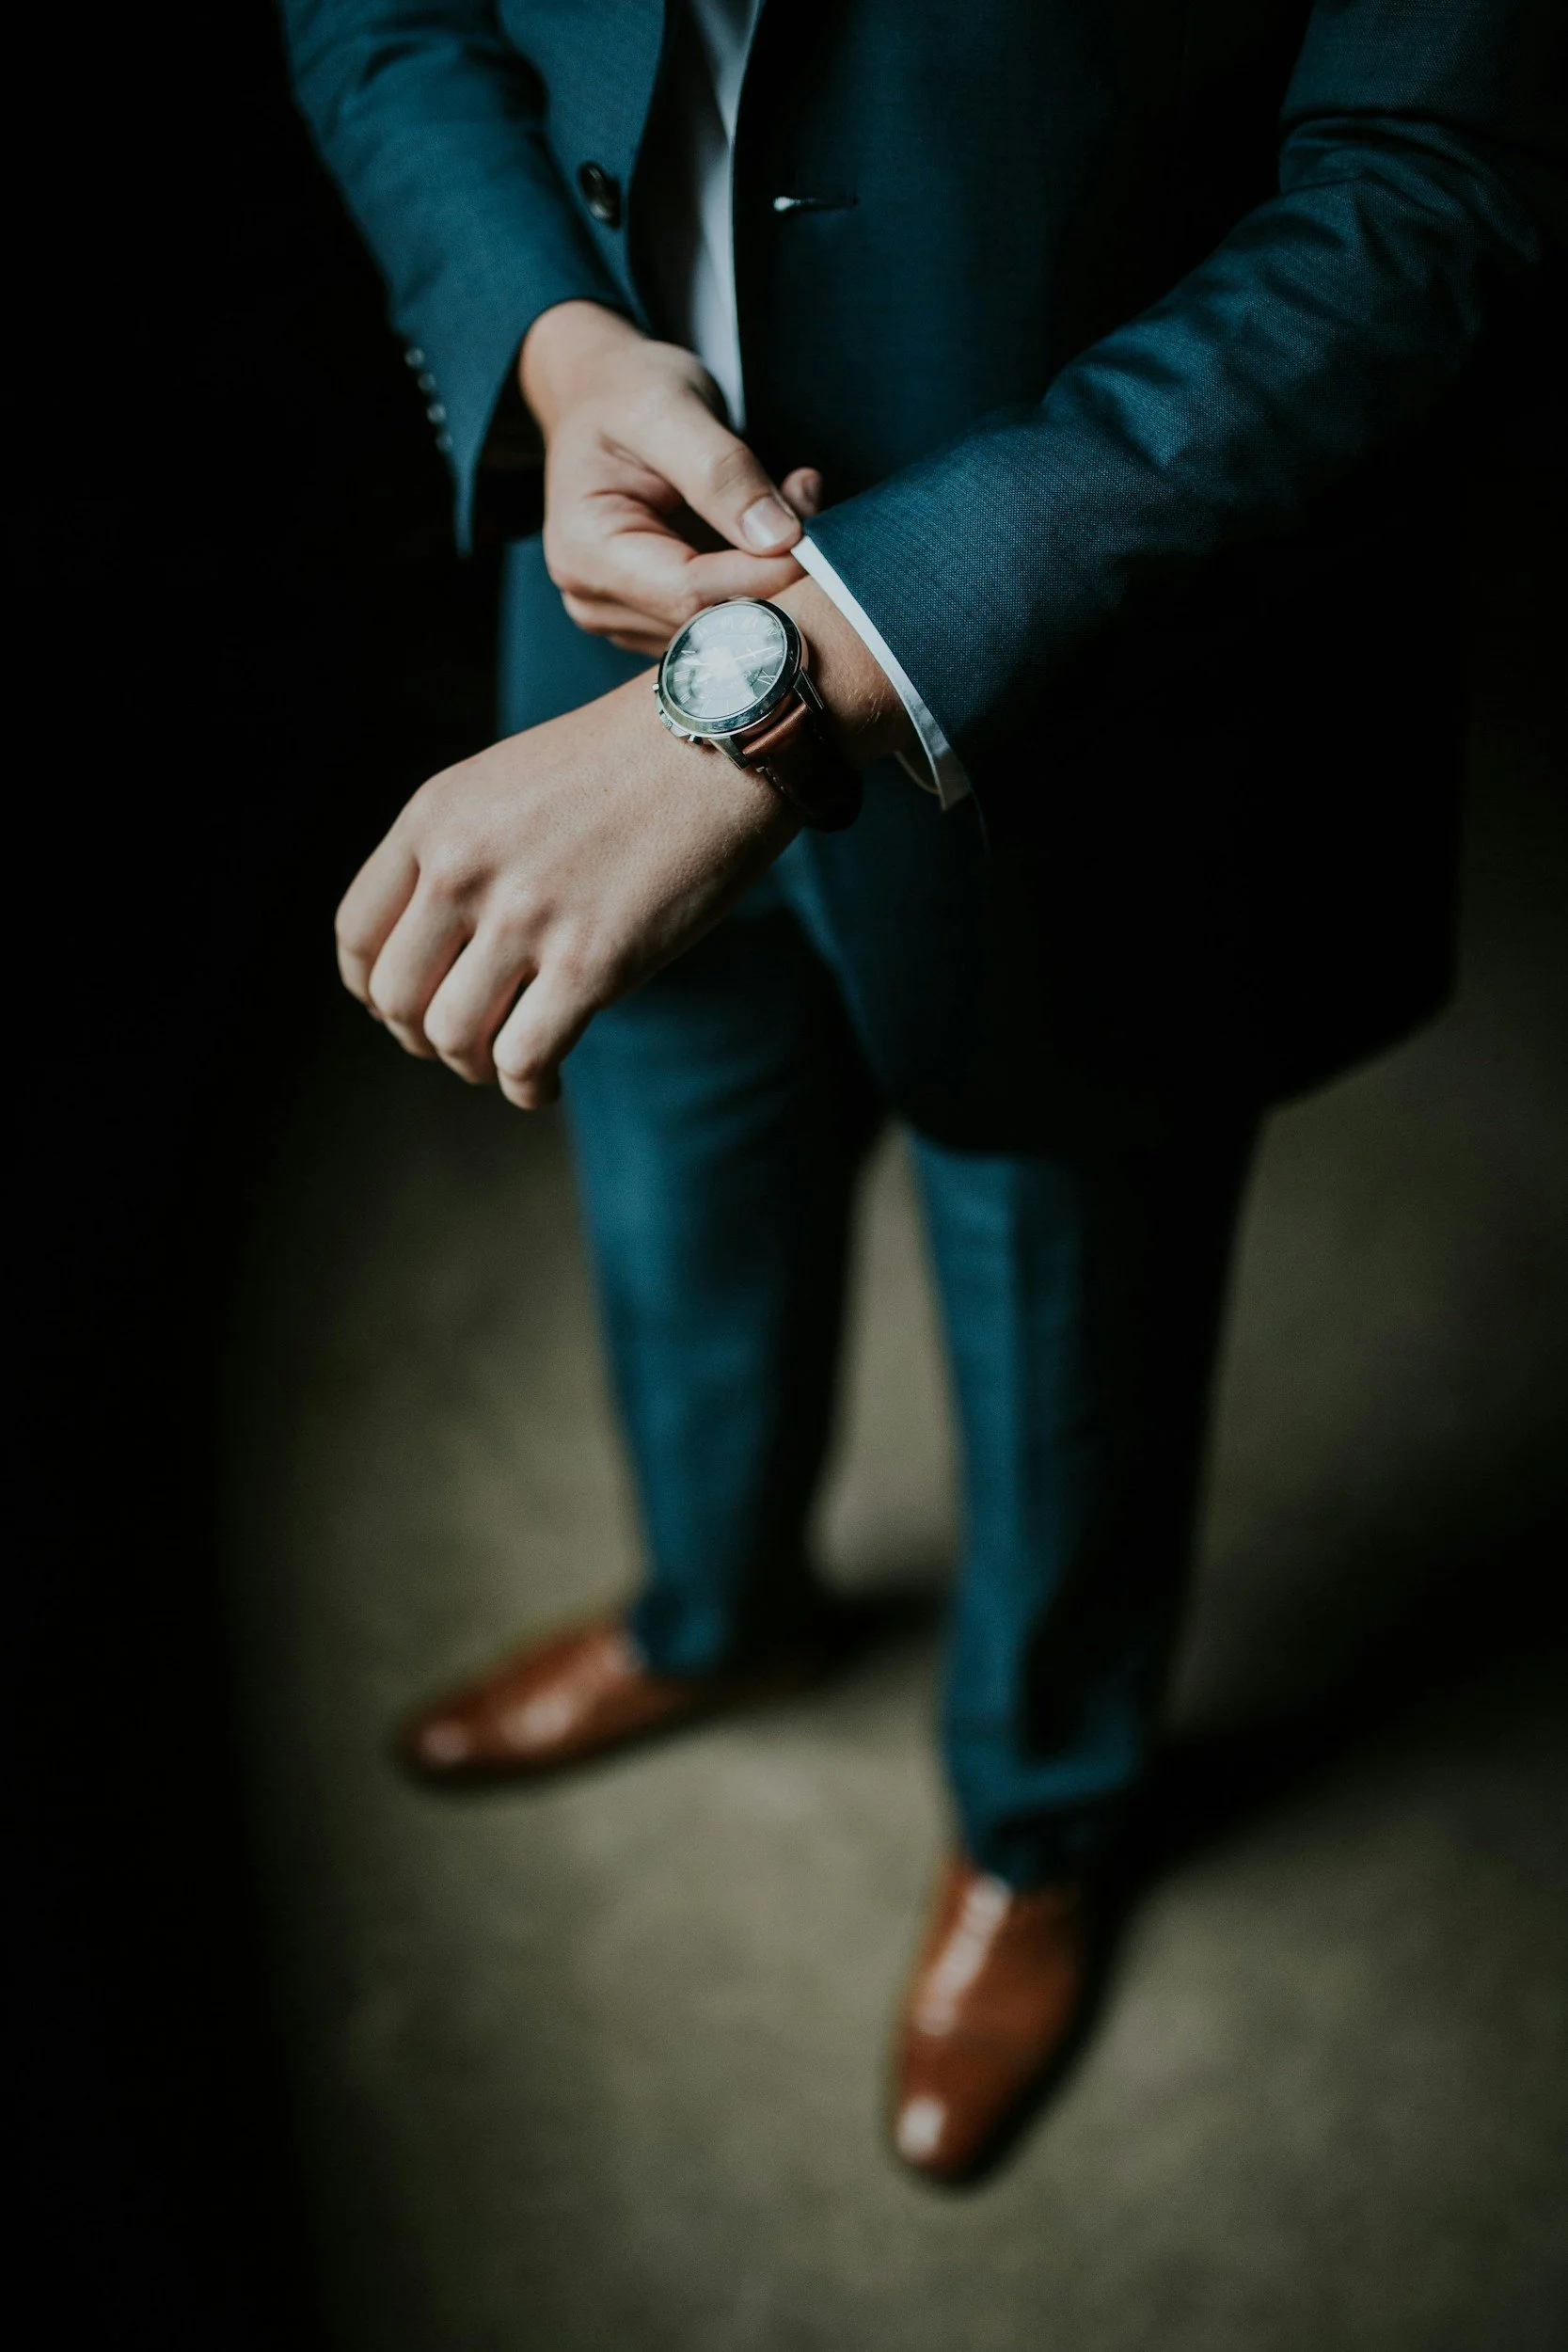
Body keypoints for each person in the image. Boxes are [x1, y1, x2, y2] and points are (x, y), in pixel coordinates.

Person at [280, 0, 1563, 2182]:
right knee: (668, 1183)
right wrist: (550, 346)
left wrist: (793, 677)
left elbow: (1431, 183)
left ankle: (1037, 1819)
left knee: (1070, 1292)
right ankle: (717, 1616)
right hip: (588, 604)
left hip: (1092, 684)